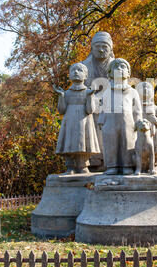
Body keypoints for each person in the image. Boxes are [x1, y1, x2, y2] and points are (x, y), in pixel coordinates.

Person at [98, 58, 142, 175]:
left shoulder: (132, 92)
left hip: (128, 122)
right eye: (116, 67)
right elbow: (103, 107)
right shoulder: (107, 91)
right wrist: (101, 120)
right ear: (110, 73)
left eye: (123, 67)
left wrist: (138, 122)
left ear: (128, 73)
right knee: (111, 143)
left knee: (128, 142)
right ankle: (112, 166)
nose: (119, 69)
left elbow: (137, 109)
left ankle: (127, 166)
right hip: (110, 121)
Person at [54, 63, 100, 174]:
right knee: (69, 143)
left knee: (84, 143)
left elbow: (90, 110)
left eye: (79, 70)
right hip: (69, 121)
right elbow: (61, 110)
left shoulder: (88, 92)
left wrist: (89, 96)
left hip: (84, 121)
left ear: (86, 75)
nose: (76, 72)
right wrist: (61, 97)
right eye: (73, 70)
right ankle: (70, 166)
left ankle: (83, 166)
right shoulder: (66, 93)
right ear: (69, 75)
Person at [80, 31, 115, 171]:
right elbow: (81, 88)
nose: (101, 50)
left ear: (110, 49)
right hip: (91, 105)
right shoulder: (84, 66)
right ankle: (92, 160)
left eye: (104, 47)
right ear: (92, 48)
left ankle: (112, 160)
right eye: (98, 46)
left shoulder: (116, 66)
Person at [136, 81, 157, 169]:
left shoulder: (156, 108)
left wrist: (155, 120)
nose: (145, 90)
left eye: (148, 88)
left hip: (152, 133)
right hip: (138, 133)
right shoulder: (135, 108)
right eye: (142, 88)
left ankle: (156, 163)